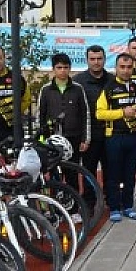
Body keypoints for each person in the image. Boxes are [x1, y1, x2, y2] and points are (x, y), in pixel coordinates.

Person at [96, 53, 136, 222]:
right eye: (122, 67)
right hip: (114, 137)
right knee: (113, 175)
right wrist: (122, 112)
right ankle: (114, 207)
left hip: (134, 136)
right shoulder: (108, 88)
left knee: (130, 174)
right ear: (116, 68)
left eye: (129, 67)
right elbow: (99, 114)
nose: (125, 70)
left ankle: (128, 206)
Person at [37, 53, 92, 183]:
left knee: (73, 173)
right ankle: (55, 201)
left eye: (66, 67)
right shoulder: (46, 90)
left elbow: (86, 114)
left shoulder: (78, 89)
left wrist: (86, 139)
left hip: (74, 138)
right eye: (59, 67)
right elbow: (40, 115)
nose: (62, 71)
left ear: (70, 68)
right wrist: (41, 140)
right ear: (53, 69)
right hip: (52, 140)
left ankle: (75, 202)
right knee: (53, 174)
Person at [75, 45, 110, 211]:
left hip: (110, 134)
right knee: (89, 171)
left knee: (111, 170)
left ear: (104, 59)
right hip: (90, 136)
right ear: (87, 60)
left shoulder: (112, 80)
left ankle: (112, 202)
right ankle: (89, 204)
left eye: (99, 59)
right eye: (92, 59)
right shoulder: (78, 82)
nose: (96, 62)